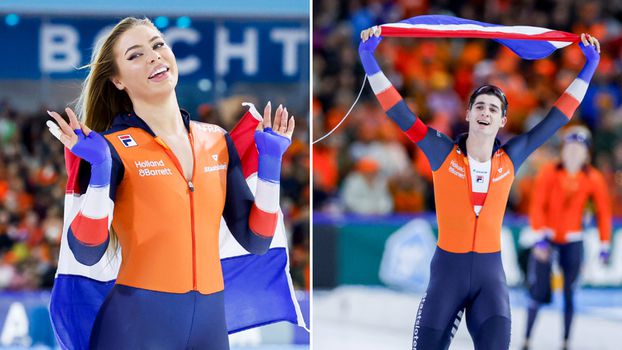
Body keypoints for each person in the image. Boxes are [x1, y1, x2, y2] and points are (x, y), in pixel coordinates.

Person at [46, 17, 294, 349]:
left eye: (158, 44)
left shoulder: (217, 141)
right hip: (135, 328)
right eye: (135, 55)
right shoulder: (111, 148)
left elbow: (257, 240)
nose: (153, 56)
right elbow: (86, 252)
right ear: (117, 80)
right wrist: (102, 169)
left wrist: (270, 163)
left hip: (209, 327)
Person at [359, 26, 600, 349]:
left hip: (491, 281)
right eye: (480, 106)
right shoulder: (441, 151)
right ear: (468, 114)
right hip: (447, 277)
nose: (486, 112)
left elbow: (557, 118)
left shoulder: (511, 158)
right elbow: (399, 111)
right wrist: (369, 61)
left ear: (502, 121)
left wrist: (589, 67)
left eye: (493, 109)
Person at [523, 126, 611, 350]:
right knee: (538, 292)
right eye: (569, 147)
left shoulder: (594, 178)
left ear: (586, 154)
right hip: (547, 239)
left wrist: (604, 243)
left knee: (570, 294)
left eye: (578, 148)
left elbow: (603, 212)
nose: (572, 152)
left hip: (573, 241)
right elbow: (537, 205)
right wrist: (540, 236)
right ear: (563, 149)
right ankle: (526, 339)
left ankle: (565, 342)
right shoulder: (549, 172)